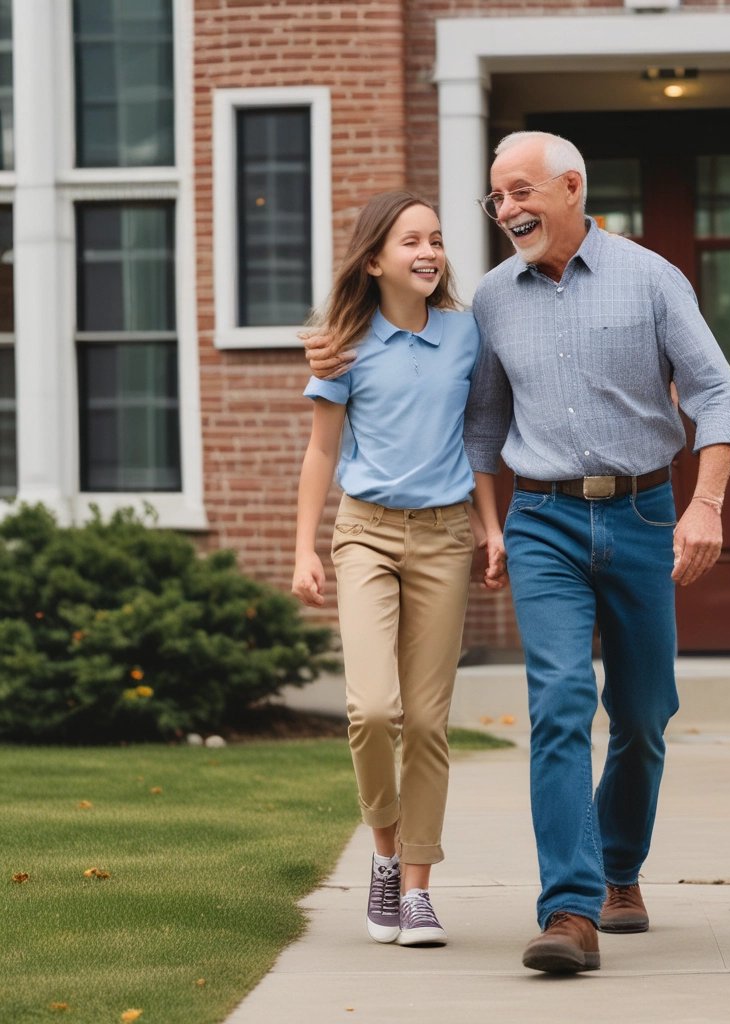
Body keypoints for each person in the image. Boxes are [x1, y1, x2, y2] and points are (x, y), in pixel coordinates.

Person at [463, 131, 730, 974]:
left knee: (643, 713)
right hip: (543, 519)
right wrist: (491, 524)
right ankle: (569, 910)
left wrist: (706, 505)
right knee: (557, 703)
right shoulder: (491, 298)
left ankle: (621, 868)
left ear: (571, 187)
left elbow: (719, 397)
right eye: (497, 198)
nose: (508, 210)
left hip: (644, 515)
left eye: (521, 192)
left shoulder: (652, 278)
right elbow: (484, 424)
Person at [291, 190, 486, 949]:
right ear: (375, 260)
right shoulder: (343, 341)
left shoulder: (467, 337)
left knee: (430, 722)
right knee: (374, 710)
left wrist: (490, 528)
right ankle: (383, 850)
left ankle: (418, 888)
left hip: (444, 538)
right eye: (411, 242)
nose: (429, 253)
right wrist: (304, 546)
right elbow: (321, 450)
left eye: (436, 239)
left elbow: (482, 439)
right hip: (365, 535)